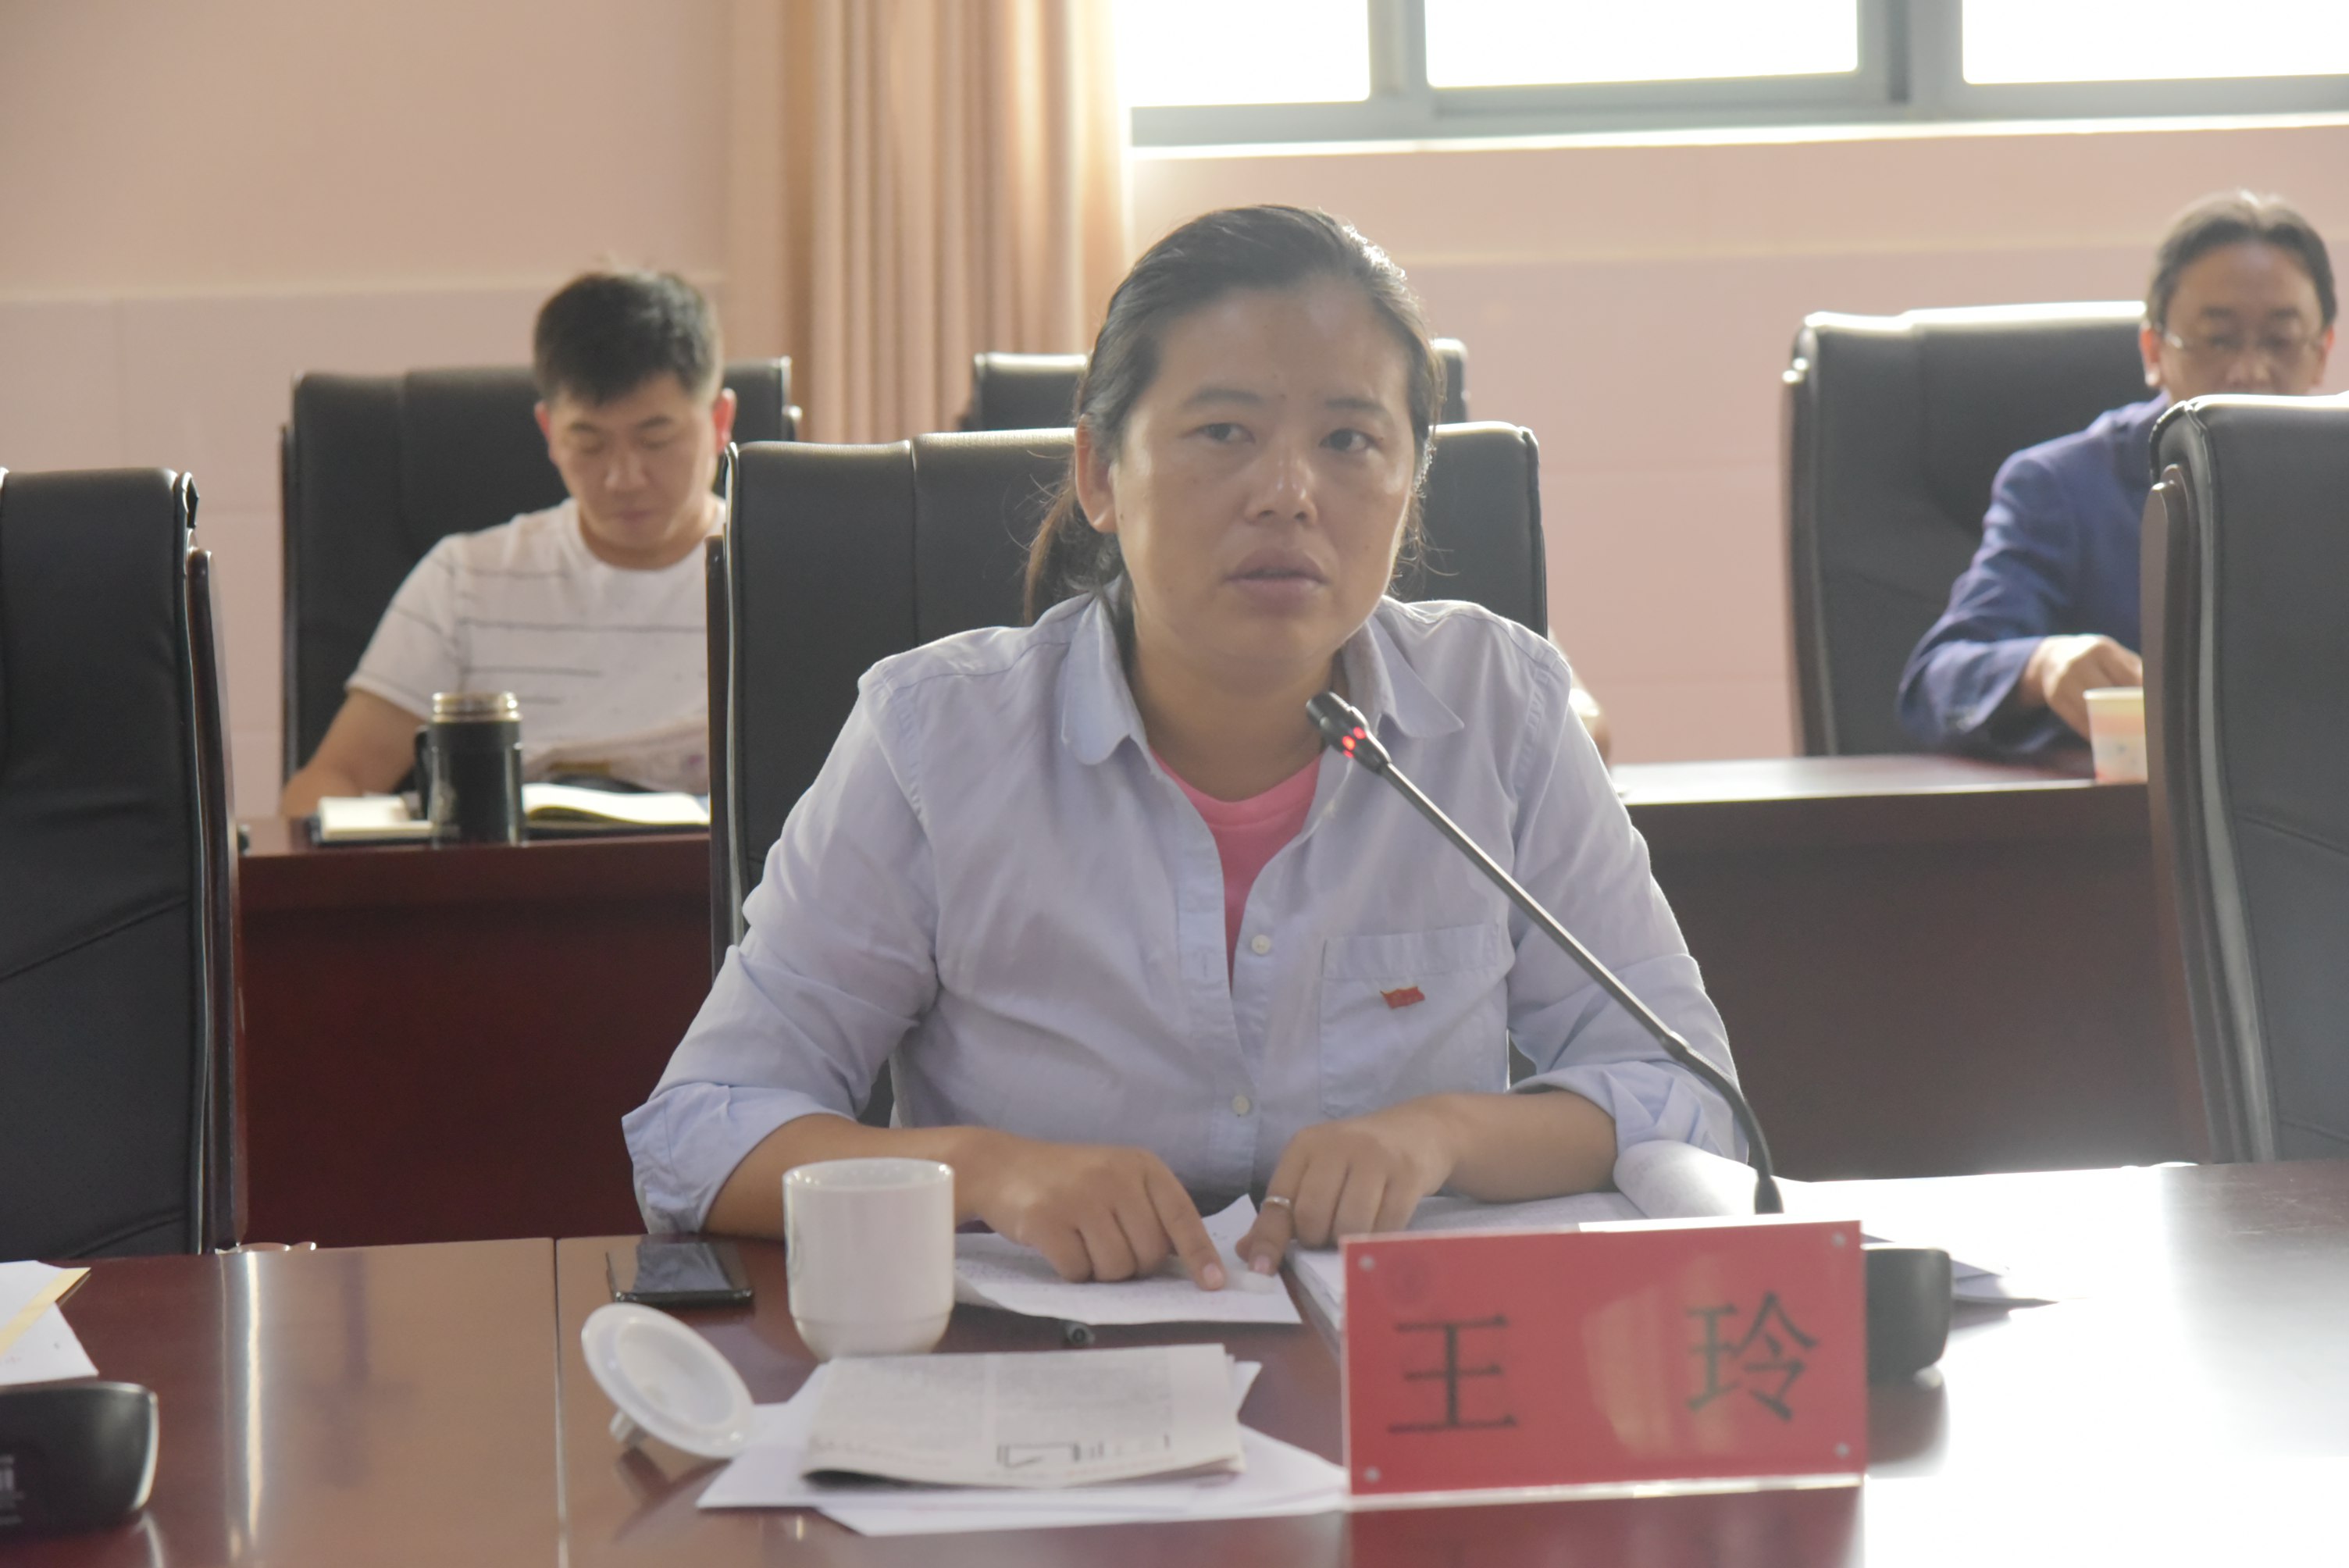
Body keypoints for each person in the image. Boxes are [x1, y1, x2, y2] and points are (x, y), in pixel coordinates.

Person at [626, 205, 1741, 1288]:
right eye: (1223, 434)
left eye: (1349, 441)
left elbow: (1691, 1096)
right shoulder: (936, 740)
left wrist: (1446, 1135)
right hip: (1046, 1380)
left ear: (1411, 486)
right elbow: (701, 1134)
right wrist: (987, 1171)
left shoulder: (1503, 711)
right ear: (1099, 474)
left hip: (1403, 1369)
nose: (1289, 495)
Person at [279, 270, 737, 817]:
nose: (624, 478)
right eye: (589, 444)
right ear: (549, 433)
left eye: (656, 439)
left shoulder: (777, 575)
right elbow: (336, 778)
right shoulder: (464, 581)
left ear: (720, 422)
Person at [1898, 192, 2335, 756]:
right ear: (2154, 350)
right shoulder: (2061, 489)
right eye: (2219, 340)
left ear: (2323, 351)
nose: (2249, 371)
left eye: (2280, 342)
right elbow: (1935, 682)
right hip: (2132, 805)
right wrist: (2042, 664)